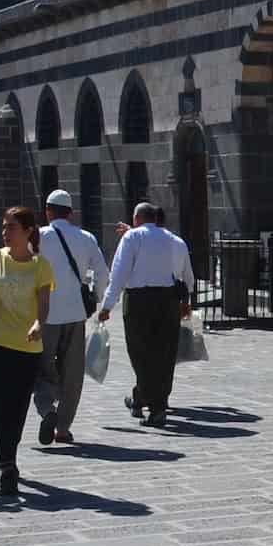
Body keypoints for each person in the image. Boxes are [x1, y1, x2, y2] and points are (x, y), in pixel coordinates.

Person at [0, 206, 53, 496]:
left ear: (28, 231)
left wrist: (39, 324)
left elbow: (43, 306)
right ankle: (7, 465)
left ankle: (8, 454)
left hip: (27, 347)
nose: (5, 232)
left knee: (17, 408)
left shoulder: (40, 265)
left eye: (11, 227)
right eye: (4, 227)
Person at [97, 201, 194, 427]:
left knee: (140, 353)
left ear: (136, 219)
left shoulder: (132, 238)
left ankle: (150, 402)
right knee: (164, 354)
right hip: (168, 301)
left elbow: (118, 275)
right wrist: (185, 303)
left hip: (139, 301)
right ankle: (147, 400)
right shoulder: (175, 241)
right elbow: (188, 277)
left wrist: (106, 306)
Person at [36, 189, 106, 446]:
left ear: (47, 211)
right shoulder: (86, 238)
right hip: (76, 315)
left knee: (42, 370)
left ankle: (47, 411)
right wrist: (99, 302)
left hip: (44, 315)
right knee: (72, 373)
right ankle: (63, 428)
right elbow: (102, 273)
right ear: (71, 213)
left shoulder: (39, 236)